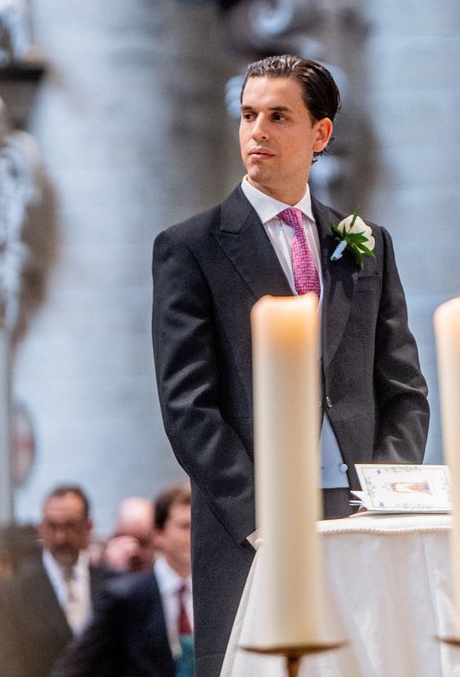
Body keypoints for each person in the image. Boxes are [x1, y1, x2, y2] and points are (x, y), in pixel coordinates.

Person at [151, 54, 430, 677]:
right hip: (251, 524)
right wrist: (262, 517)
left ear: (320, 133)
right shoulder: (191, 247)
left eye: (278, 116)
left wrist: (387, 495)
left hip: (360, 517)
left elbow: (404, 388)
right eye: (248, 115)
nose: (257, 131)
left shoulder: (365, 242)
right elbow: (188, 406)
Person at [49, 484, 196, 677]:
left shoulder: (214, 596)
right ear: (158, 533)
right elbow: (75, 666)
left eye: (199, 526)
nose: (195, 534)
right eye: (185, 526)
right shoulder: (124, 597)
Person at [0, 484, 117, 677]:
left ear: (88, 527)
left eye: (70, 526)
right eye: (53, 526)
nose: (61, 537)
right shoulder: (13, 593)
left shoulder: (113, 585)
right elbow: (7, 665)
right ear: (41, 528)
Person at [101, 497, 157, 573]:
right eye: (125, 539)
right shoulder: (98, 560)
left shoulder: (164, 561)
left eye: (142, 542)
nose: (133, 549)